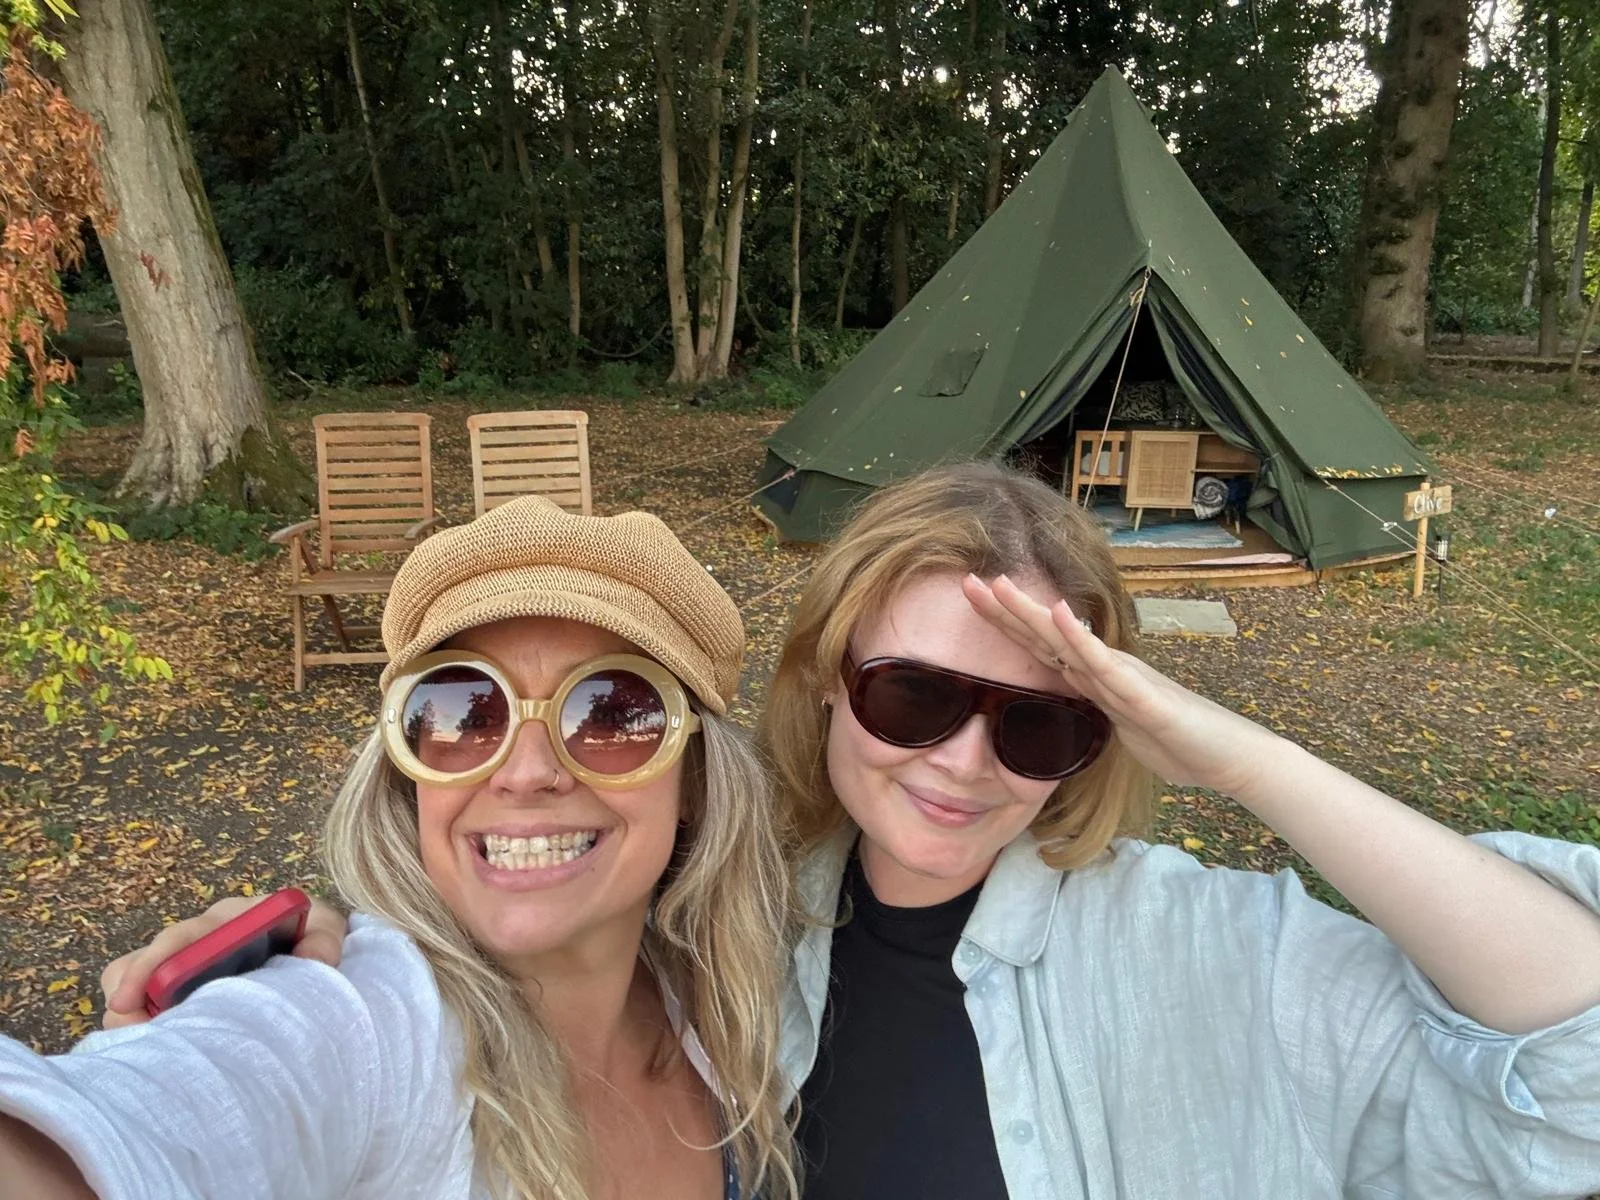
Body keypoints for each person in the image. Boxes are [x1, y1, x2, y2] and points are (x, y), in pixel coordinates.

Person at [94, 463, 1600, 1198]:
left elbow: (1572, 1076)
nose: (963, 760)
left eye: (1040, 717)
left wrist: (1241, 759)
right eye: (914, 693)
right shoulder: (735, 953)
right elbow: (178, 1120)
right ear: (818, 691)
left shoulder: (1209, 952)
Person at [0, 495, 799, 1200]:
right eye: (463, 711)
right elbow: (160, 1117)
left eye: (612, 711)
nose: (525, 773)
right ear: (404, 766)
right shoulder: (373, 1027)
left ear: (693, 777)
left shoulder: (709, 1004)